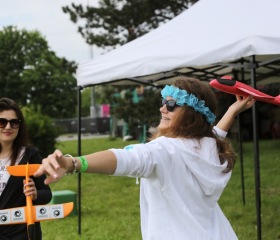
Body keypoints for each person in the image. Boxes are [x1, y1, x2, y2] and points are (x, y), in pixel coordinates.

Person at [34, 76, 255, 240]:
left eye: (171, 104)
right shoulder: (209, 146)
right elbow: (216, 132)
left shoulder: (163, 151)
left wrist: (74, 163)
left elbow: (126, 158)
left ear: (192, 114)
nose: (162, 108)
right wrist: (233, 111)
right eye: (163, 101)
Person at [0, 98, 52, 240]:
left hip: (22, 233)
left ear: (19, 126)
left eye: (14, 122)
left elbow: (47, 194)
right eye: (2, 122)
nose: (8, 127)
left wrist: (35, 194)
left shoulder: (30, 155)